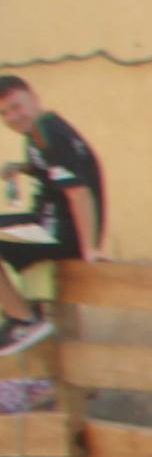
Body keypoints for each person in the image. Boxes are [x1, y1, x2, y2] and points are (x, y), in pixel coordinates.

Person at [0, 74, 104, 358]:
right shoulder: (40, 130)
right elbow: (51, 167)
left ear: (34, 98)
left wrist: (89, 248)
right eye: (4, 113)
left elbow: (78, 192)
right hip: (49, 223)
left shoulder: (49, 134)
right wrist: (21, 168)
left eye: (16, 107)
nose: (12, 117)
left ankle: (23, 320)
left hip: (58, 232)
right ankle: (23, 315)